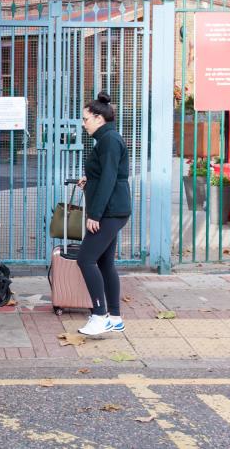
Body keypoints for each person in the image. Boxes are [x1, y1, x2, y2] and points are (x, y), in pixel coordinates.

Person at [75, 92, 132, 337]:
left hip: (109, 212)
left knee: (85, 259)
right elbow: (107, 174)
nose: (83, 123)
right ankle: (115, 317)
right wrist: (90, 179)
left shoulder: (108, 140)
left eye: (86, 118)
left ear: (99, 118)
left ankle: (100, 316)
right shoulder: (107, 139)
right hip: (115, 209)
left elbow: (110, 179)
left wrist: (95, 215)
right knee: (105, 262)